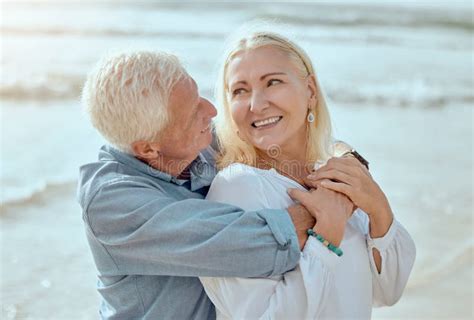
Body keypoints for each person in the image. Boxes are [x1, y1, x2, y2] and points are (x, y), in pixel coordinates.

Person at [77, 51, 353, 319]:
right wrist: (330, 203)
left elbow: (293, 143)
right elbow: (256, 243)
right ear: (148, 148)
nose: (211, 110)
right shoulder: (113, 206)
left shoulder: (195, 142)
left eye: (198, 96)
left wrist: (347, 158)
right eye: (192, 113)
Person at [200, 31, 416, 319]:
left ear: (311, 91)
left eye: (272, 82)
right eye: (240, 90)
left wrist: (378, 206)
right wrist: (327, 233)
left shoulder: (334, 175)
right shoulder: (236, 188)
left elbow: (388, 291)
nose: (256, 104)